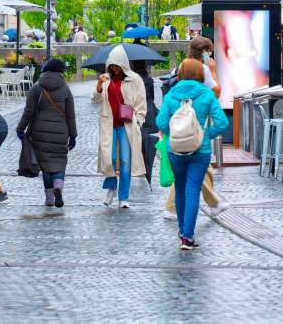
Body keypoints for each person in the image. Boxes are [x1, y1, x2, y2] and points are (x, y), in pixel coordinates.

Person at [157, 59, 228, 250]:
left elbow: (161, 122)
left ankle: (183, 232)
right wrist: (205, 135)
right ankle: (187, 236)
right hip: (200, 151)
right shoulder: (206, 94)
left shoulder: (171, 94)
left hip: (175, 150)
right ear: (201, 74)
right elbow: (222, 122)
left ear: (180, 74)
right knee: (193, 189)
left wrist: (174, 134)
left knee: (179, 189)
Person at [163, 37, 226, 220]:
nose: (211, 54)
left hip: (179, 123)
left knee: (192, 166)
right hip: (195, 125)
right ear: (205, 51)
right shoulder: (202, 69)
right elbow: (216, 91)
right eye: (209, 50)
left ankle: (211, 203)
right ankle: (208, 204)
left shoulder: (182, 66)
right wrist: (213, 72)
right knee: (197, 164)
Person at [16, 59, 77, 208]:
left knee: (45, 166)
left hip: (39, 132)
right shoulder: (65, 89)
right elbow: (70, 114)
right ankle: (58, 185)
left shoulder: (37, 87)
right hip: (61, 132)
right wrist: (73, 135)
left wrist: (20, 128)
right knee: (59, 162)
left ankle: (50, 198)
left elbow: (28, 112)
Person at [92, 45, 147, 208]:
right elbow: (96, 100)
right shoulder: (105, 79)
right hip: (109, 123)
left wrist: (138, 121)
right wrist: (99, 85)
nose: (114, 69)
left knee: (125, 161)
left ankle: (124, 197)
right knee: (109, 158)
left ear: (123, 65)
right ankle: (111, 187)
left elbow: (141, 103)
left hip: (127, 125)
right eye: (111, 66)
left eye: (117, 66)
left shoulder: (134, 79)